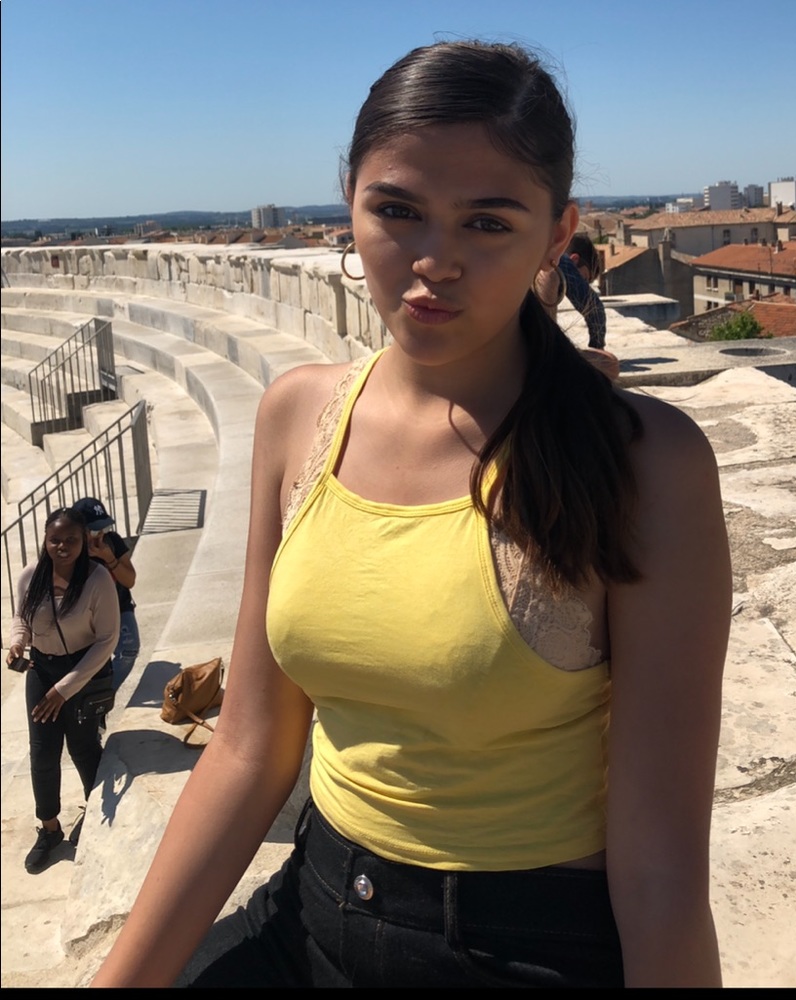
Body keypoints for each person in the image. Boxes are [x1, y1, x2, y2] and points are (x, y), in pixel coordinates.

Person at [93, 40, 730, 988]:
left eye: (486, 222)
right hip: (314, 908)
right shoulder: (298, 417)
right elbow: (249, 745)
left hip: (523, 945)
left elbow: (664, 871)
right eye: (397, 211)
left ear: (560, 234)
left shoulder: (647, 466)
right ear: (347, 202)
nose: (434, 262)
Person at [7, 507, 119, 873]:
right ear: (45, 539)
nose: (62, 546)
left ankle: (97, 813)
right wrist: (17, 644)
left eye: (71, 539)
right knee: (42, 751)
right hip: (43, 668)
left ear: (83, 540)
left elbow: (107, 640)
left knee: (84, 747)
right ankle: (49, 828)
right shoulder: (31, 576)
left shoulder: (97, 579)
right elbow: (22, 618)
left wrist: (65, 689)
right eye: (55, 539)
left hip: (84, 669)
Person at [71, 497, 140, 687]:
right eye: (94, 530)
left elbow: (130, 579)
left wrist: (109, 558)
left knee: (128, 650)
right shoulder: (72, 551)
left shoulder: (112, 542)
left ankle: (105, 694)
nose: (100, 535)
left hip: (119, 605)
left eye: (104, 528)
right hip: (88, 614)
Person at [559, 232, 607, 349]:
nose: (583, 284)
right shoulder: (559, 261)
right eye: (584, 279)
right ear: (574, 260)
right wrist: (597, 349)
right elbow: (595, 310)